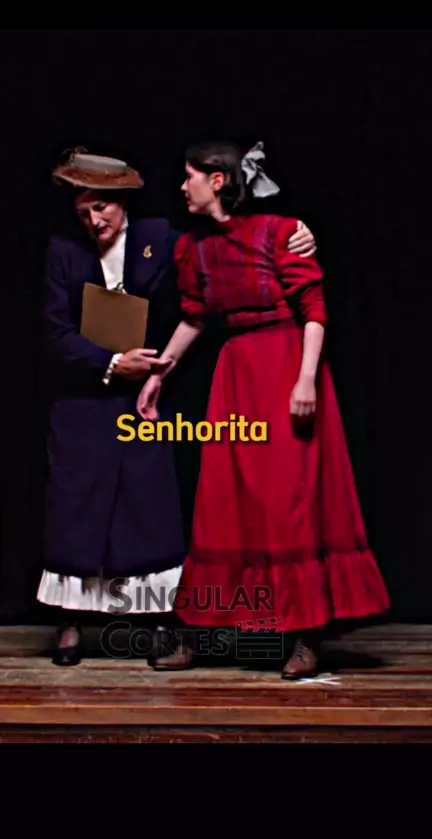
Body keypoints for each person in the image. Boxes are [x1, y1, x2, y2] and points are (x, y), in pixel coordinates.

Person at [37, 146, 318, 666]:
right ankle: (70, 621)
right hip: (87, 393)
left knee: (147, 506)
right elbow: (54, 331)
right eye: (83, 212)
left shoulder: (162, 238)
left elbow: (224, 248)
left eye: (101, 208)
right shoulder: (63, 251)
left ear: (122, 202)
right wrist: (109, 362)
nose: (94, 221)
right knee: (76, 504)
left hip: (147, 396)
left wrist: (299, 232)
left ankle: (159, 619)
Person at [137, 140, 390, 679]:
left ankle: (304, 635)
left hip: (285, 367)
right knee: (222, 501)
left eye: (189, 176)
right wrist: (159, 375)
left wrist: (306, 379)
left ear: (217, 180)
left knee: (287, 503)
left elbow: (313, 309)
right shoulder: (193, 250)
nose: (182, 187)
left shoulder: (280, 232)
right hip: (237, 377)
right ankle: (201, 633)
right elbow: (194, 317)